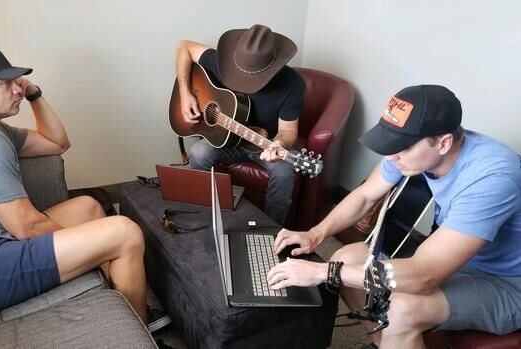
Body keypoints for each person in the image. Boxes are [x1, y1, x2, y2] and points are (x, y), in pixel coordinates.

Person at [0, 45, 169, 331]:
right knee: (123, 233)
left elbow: (56, 143)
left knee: (87, 207)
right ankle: (139, 331)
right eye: (5, 83)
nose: (17, 88)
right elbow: (26, 227)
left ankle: (124, 299)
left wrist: (34, 94)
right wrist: (89, 245)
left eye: (17, 81)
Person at [267, 85, 521, 348]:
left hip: (508, 283)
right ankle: (383, 343)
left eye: (401, 147)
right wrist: (314, 234)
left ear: (443, 143)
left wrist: (325, 273)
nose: (390, 156)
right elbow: (366, 195)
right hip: (460, 261)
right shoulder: (412, 153)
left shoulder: (492, 176)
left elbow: (424, 275)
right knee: (346, 257)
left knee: (401, 309)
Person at [175, 24, 305, 225]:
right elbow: (184, 46)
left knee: (283, 173)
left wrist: (278, 144)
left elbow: (288, 130)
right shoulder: (225, 63)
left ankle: (271, 231)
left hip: (264, 144)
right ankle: (201, 215)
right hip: (226, 138)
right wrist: (185, 93)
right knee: (198, 153)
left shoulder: (292, 84)